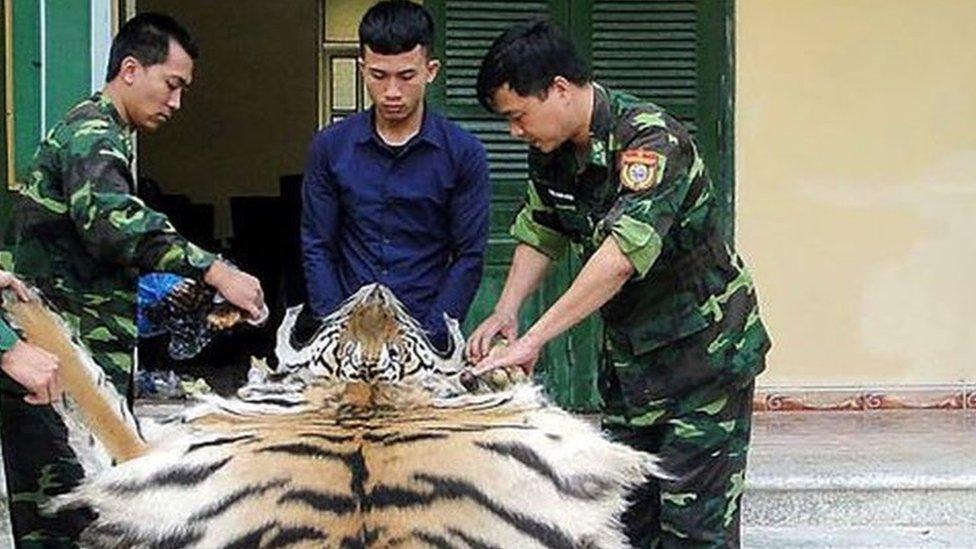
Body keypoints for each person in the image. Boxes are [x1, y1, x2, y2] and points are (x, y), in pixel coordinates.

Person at [466, 20, 771, 548]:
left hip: (704, 362)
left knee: (694, 532)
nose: (515, 131)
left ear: (559, 89)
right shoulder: (553, 151)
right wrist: (506, 309)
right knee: (626, 525)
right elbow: (542, 228)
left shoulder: (653, 144)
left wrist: (535, 338)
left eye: (518, 116)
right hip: (634, 369)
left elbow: (620, 258)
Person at [1, 13, 265, 546]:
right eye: (172, 85)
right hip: (51, 367)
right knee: (67, 519)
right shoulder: (90, 133)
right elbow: (112, 224)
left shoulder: (105, 135)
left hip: (74, 362)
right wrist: (215, 267)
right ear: (129, 69)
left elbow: (92, 257)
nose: (176, 102)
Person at [301, 0, 489, 349]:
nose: (391, 92)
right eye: (378, 75)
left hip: (427, 330)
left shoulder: (464, 153)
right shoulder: (329, 147)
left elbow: (468, 256)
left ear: (431, 70)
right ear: (362, 68)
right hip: (346, 334)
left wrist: (432, 338)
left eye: (406, 76)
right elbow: (318, 246)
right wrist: (335, 331)